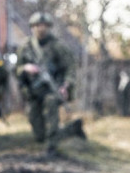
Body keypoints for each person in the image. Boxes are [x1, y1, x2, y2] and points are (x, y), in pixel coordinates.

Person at [16, 11, 83, 156]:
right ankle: (73, 129)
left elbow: (70, 67)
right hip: (34, 91)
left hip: (53, 89)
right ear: (32, 27)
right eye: (38, 25)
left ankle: (52, 146)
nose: (41, 28)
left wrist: (66, 85)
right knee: (39, 134)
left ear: (49, 27)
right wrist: (26, 68)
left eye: (44, 25)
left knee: (51, 105)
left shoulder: (58, 46)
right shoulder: (26, 46)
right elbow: (16, 68)